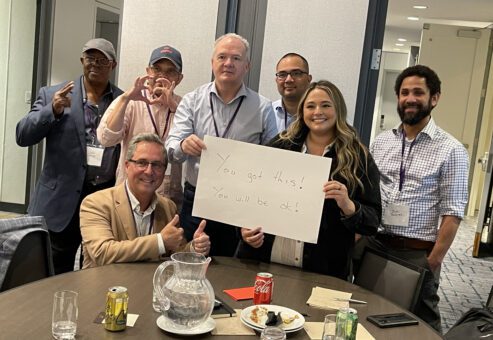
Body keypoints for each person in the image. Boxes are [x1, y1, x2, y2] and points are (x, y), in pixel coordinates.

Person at [237, 80, 381, 280]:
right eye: (310, 106)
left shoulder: (358, 157)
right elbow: (251, 196)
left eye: (326, 105)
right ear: (302, 111)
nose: (317, 112)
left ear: (338, 109)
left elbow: (372, 221)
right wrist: (245, 230)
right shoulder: (281, 146)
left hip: (324, 269)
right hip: (266, 261)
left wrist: (348, 206)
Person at [368, 65, 469, 332]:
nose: (410, 98)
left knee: (421, 324)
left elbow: (453, 211)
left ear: (434, 98)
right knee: (370, 314)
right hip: (376, 245)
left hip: (416, 251)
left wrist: (433, 260)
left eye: (418, 92)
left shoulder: (451, 150)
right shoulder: (380, 142)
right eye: (404, 92)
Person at [16, 38, 123, 274]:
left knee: (95, 271)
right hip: (60, 201)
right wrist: (51, 110)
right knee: (51, 274)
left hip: (101, 200)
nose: (95, 63)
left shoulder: (122, 101)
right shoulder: (53, 94)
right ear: (82, 60)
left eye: (102, 59)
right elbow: (22, 135)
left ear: (112, 65)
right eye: (90, 58)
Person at [165, 33, 278, 257]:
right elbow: (171, 150)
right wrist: (183, 145)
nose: (228, 63)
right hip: (197, 199)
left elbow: (273, 160)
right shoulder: (192, 100)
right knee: (190, 261)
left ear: (247, 65)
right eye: (222, 57)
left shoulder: (263, 108)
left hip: (242, 202)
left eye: (236, 58)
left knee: (234, 268)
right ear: (212, 62)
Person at [80, 133, 210, 268]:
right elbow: (102, 253)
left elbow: (175, 251)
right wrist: (159, 242)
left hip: (147, 285)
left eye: (157, 165)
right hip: (105, 286)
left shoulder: (167, 207)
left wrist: (194, 248)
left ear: (164, 170)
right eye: (141, 163)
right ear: (127, 165)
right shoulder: (95, 203)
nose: (149, 171)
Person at [97, 45, 184, 209]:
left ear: (179, 78)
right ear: (148, 71)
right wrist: (125, 99)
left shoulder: (184, 106)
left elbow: (193, 149)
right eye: (157, 69)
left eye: (170, 71)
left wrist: (173, 106)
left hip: (168, 198)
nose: (162, 76)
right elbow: (106, 139)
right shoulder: (131, 99)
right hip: (128, 194)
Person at [272, 53, 312, 132]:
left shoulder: (319, 114)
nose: (288, 80)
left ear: (309, 79)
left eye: (296, 73)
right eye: (282, 74)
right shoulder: (267, 113)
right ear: (276, 80)